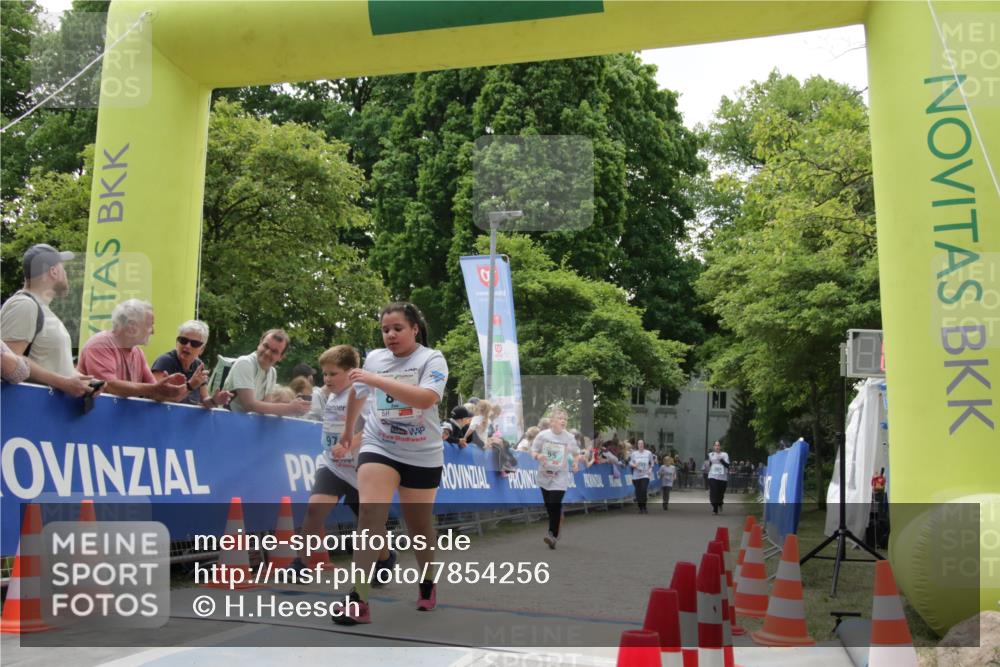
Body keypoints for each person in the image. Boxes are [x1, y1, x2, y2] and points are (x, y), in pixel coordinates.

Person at [332, 302, 449, 625]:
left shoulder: (431, 358)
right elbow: (359, 392)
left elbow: (425, 399)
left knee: (419, 527)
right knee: (370, 511)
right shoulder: (375, 359)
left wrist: (377, 380)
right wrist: (347, 430)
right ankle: (359, 599)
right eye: (385, 330)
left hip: (422, 452)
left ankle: (427, 583)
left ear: (414, 328)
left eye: (398, 328)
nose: (391, 335)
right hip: (379, 443)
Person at [290, 345, 393, 574]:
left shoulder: (363, 395)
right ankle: (301, 564)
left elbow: (376, 428)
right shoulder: (330, 395)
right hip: (333, 465)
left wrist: (349, 443)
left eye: (333, 374)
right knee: (315, 509)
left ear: (351, 371)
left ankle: (385, 558)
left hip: (361, 469)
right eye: (324, 373)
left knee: (370, 525)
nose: (327, 379)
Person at [1, 243, 98, 395]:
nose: (66, 274)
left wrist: (82, 380)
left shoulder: (40, 308)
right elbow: (8, 361)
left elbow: (51, 364)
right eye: (63, 268)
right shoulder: (24, 305)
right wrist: (63, 383)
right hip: (29, 412)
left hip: (46, 414)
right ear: (54, 271)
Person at [76, 299, 189, 402]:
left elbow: (155, 394)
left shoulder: (138, 353)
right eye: (150, 325)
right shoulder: (100, 344)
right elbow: (109, 387)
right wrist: (156, 388)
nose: (153, 331)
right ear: (131, 327)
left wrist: (183, 387)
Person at [531, 407, 585, 550]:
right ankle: (557, 523)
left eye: (565, 419)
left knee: (554, 503)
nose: (563, 421)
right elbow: (533, 450)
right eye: (560, 418)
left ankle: (552, 535)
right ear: (552, 421)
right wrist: (538, 456)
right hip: (544, 475)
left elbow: (576, 453)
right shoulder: (543, 436)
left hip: (560, 476)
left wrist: (575, 462)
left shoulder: (569, 437)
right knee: (549, 506)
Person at [223, 329, 310, 417]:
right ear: (259, 343)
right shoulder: (245, 363)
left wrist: (299, 408)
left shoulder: (272, 373)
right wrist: (288, 408)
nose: (267, 353)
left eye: (274, 351)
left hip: (245, 425)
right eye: (266, 346)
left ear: (281, 357)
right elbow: (249, 405)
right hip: (226, 421)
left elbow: (265, 408)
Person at [151, 320, 232, 408]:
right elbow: (154, 395)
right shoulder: (165, 361)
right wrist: (190, 386)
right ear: (177, 342)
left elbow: (205, 400)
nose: (187, 346)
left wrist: (215, 401)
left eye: (194, 343)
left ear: (202, 349)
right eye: (183, 340)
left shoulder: (199, 365)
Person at [630, 439, 655, 514]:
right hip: (636, 475)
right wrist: (634, 465)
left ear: (644, 445)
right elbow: (630, 462)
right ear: (637, 445)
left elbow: (652, 463)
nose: (640, 445)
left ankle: (644, 507)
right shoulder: (634, 453)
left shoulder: (648, 453)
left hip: (645, 474)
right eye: (639, 444)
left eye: (641, 443)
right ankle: (640, 507)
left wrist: (650, 469)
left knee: (643, 490)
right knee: (638, 492)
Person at [707, 440, 730, 514]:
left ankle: (720, 503)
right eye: (716, 445)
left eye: (718, 445)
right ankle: (715, 508)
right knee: (714, 492)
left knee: (720, 493)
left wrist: (721, 460)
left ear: (720, 447)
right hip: (712, 476)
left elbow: (727, 465)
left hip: (722, 478)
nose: (717, 447)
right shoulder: (711, 454)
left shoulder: (725, 454)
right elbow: (710, 464)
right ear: (713, 447)